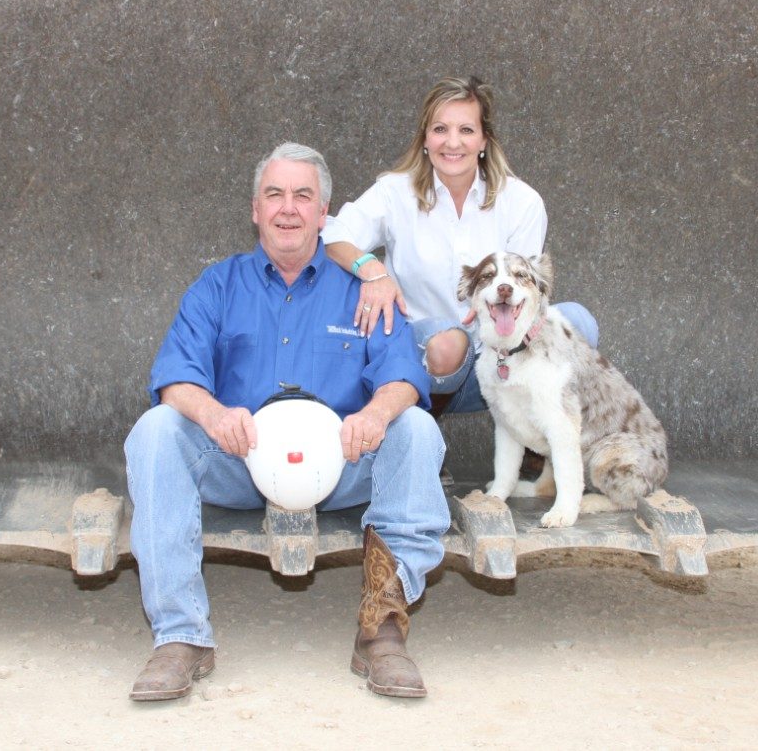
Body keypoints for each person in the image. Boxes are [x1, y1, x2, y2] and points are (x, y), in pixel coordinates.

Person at [124, 142, 450, 702]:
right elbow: (175, 377)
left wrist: (374, 414)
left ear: (324, 213)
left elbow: (404, 375)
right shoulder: (218, 285)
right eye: (274, 194)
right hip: (240, 461)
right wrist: (215, 414)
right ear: (255, 210)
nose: (288, 208)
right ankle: (180, 636)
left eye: (303, 196)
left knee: (417, 429)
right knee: (155, 429)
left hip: (344, 461)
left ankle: (383, 631)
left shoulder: (365, 290)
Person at [322, 75, 599, 420]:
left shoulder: (522, 202)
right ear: (425, 138)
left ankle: (537, 437)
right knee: (449, 342)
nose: (452, 142)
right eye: (440, 129)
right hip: (424, 357)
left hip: (501, 354)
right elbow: (331, 234)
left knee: (578, 324)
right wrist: (371, 269)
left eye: (466, 130)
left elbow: (527, 291)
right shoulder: (394, 193)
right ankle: (422, 426)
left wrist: (496, 307)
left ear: (484, 140)